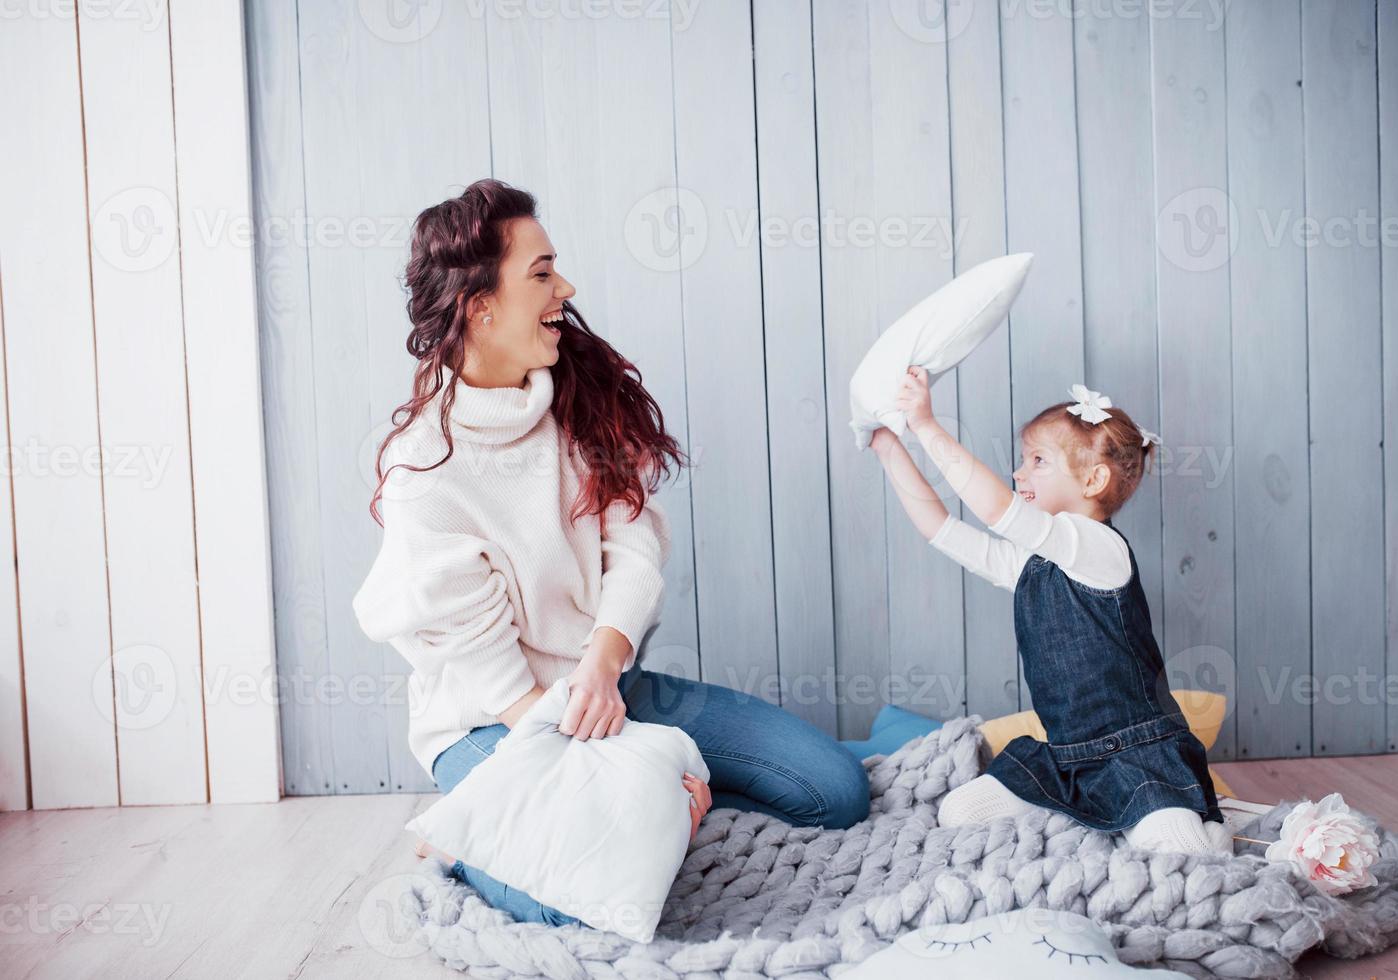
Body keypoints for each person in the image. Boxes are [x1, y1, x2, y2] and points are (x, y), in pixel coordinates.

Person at [352, 178, 870, 927]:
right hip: (498, 719)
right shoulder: (425, 471)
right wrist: (637, 768)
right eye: (540, 274)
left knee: (836, 791)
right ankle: (468, 835)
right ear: (479, 305)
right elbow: (494, 674)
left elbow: (634, 540)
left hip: (603, 684)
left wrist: (602, 663)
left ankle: (656, 816)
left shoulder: (573, 403)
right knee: (569, 906)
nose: (565, 286)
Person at [870, 369, 1228, 856]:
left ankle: (1191, 822)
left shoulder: (1097, 546)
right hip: (1065, 760)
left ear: (1094, 480)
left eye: (1037, 461)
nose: (1019, 473)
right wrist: (890, 447)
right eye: (1023, 461)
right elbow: (940, 528)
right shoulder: (1032, 566)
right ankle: (1100, 821)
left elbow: (999, 511)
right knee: (959, 813)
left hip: (1136, 755)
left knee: (1180, 853)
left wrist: (927, 426)